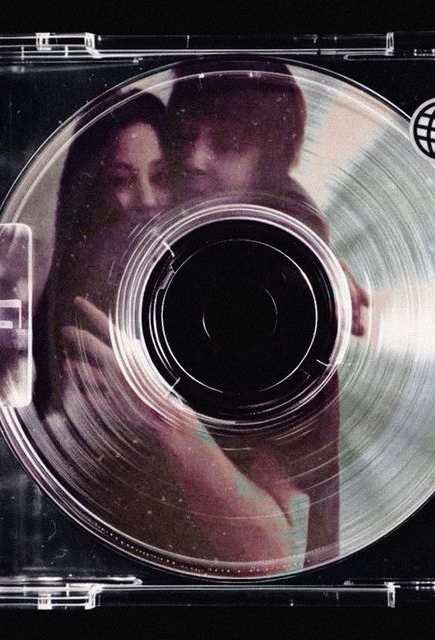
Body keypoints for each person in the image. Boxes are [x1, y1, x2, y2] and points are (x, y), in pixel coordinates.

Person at [32, 88, 315, 575]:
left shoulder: (222, 290)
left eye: (161, 176)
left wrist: (162, 414)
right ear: (90, 190)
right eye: (120, 180)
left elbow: (276, 550)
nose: (145, 200)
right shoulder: (68, 306)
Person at [164, 60, 369, 567]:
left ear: (272, 158)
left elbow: (283, 531)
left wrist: (315, 268)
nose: (194, 158)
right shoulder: (181, 203)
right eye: (185, 137)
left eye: (227, 144)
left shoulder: (287, 225)